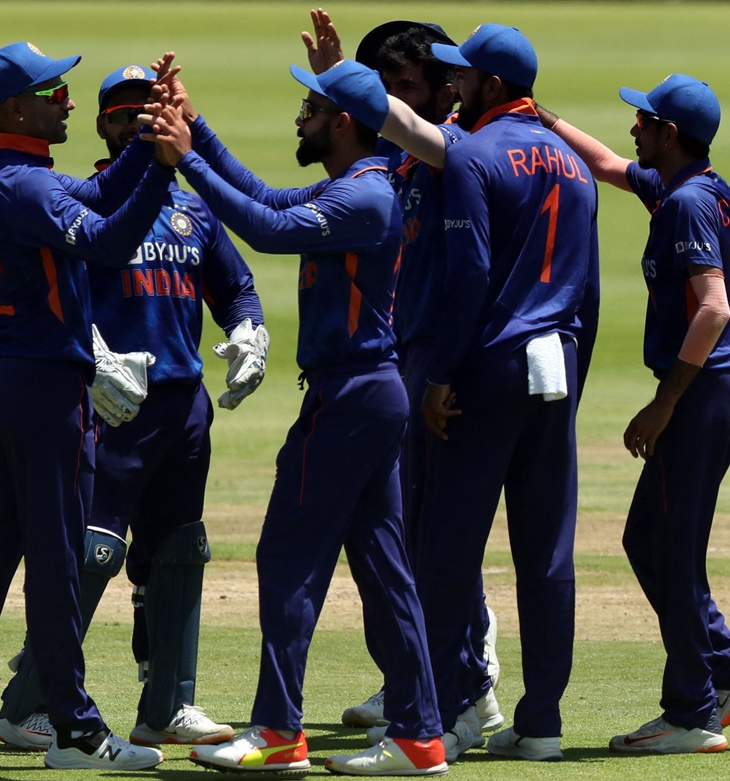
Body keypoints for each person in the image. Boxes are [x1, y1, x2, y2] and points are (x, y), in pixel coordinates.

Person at [310, 13, 600, 762]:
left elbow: (469, 273)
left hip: (483, 371)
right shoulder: (570, 162)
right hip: (556, 372)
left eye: (462, 77)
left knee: (441, 549)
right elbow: (588, 291)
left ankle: (427, 720)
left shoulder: (474, 152)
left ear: (491, 85)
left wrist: (440, 374)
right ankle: (541, 722)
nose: (452, 88)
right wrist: (575, 380)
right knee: (547, 556)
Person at [144, 58, 446, 776]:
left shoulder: (365, 198)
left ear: (343, 122)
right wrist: (199, 131)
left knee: (287, 557)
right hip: (368, 393)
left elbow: (264, 228)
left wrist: (186, 159)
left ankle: (279, 730)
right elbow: (265, 196)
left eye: (311, 108)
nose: (301, 118)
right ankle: (420, 735)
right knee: (384, 570)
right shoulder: (357, 185)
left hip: (349, 398)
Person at [0, 42, 179, 771]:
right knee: (54, 559)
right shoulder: (28, 188)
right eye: (54, 93)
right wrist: (165, 167)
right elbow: (112, 240)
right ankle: (77, 733)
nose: (70, 103)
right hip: (41, 391)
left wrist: (145, 143)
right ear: (16, 106)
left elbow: (93, 201)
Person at [0, 63, 266, 752]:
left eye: (154, 112)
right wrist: (89, 353)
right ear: (106, 125)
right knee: (94, 550)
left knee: (180, 548)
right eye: (126, 114)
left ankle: (168, 704)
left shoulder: (193, 206)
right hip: (112, 405)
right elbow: (40, 291)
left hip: (184, 405)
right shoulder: (83, 202)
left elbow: (235, 287)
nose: (141, 123)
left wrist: (248, 330)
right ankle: (30, 704)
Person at [537, 75, 730, 755]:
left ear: (670, 133)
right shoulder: (690, 183)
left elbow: (712, 307)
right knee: (652, 540)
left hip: (704, 392)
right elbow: (608, 166)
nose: (633, 130)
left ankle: (692, 711)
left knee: (668, 546)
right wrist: (542, 117)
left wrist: (663, 401)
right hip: (723, 386)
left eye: (643, 121)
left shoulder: (687, 205)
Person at [331, 18, 504, 739]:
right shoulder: (391, 166)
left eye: (405, 89)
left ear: (444, 94)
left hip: (431, 364)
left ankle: (463, 688)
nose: (392, 105)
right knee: (385, 530)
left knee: (431, 537)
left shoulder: (450, 155)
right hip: (389, 359)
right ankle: (415, 675)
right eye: (384, 90)